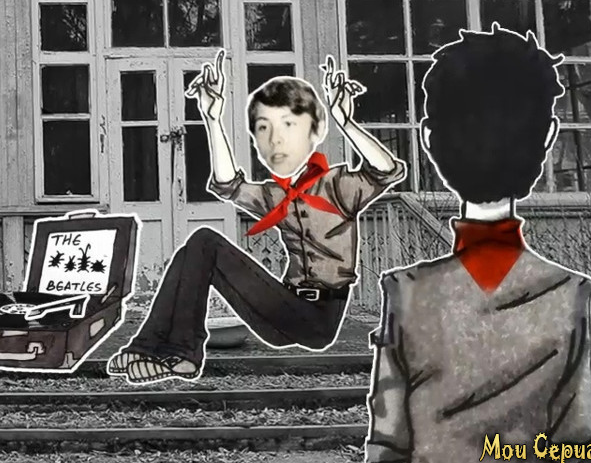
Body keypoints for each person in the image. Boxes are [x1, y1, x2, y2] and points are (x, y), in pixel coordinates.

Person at [365, 25, 591, 463]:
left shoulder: (406, 294)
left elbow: (387, 444)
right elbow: (581, 444)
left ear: (428, 140)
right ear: (548, 137)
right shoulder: (571, 295)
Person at [108, 49, 406, 384]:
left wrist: (345, 121)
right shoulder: (275, 195)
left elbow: (386, 170)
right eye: (263, 130)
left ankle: (177, 352)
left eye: (289, 127)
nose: (276, 140)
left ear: (315, 132)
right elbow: (228, 185)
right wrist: (212, 119)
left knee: (204, 242)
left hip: (319, 318)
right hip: (280, 310)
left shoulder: (338, 185)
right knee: (198, 248)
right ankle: (155, 347)